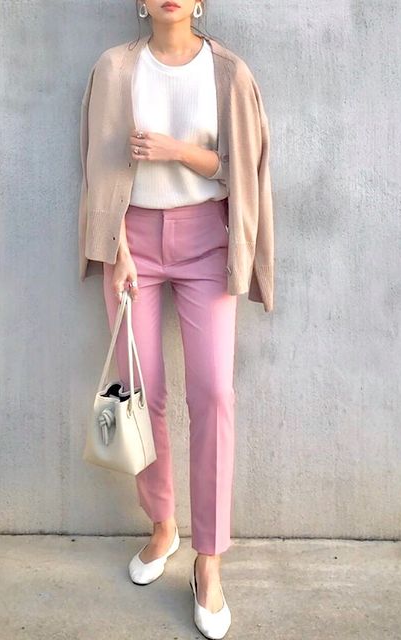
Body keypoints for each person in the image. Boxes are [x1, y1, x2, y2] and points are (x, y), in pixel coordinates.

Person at [78, 2, 274, 637]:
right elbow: (97, 166)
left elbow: (242, 170)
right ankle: (162, 525)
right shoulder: (114, 69)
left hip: (207, 242)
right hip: (132, 241)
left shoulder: (230, 73)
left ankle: (208, 561)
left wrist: (176, 151)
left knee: (214, 392)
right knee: (142, 393)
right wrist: (117, 248)